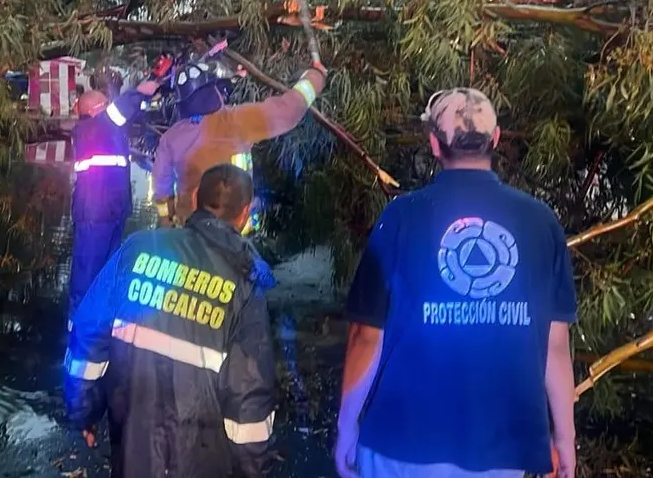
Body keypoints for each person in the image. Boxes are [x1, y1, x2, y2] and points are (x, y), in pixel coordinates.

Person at [334, 88, 579, 478]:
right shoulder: (541, 222)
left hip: (402, 445)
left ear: (434, 144)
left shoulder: (400, 217)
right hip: (504, 451)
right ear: (495, 140)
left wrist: (347, 428)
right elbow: (555, 345)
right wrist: (564, 439)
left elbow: (367, 336)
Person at [62, 163, 277, 478]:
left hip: (132, 456)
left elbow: (88, 336)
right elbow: (249, 404)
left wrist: (84, 412)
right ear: (244, 214)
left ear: (193, 197)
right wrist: (251, 470)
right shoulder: (244, 286)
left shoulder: (138, 248)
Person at [153, 57, 327, 226]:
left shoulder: (170, 138)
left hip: (189, 232)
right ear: (215, 90)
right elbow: (287, 111)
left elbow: (162, 189)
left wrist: (166, 220)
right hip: (231, 232)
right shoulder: (238, 120)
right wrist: (316, 76)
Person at [68, 76, 158, 318]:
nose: (110, 105)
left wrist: (152, 88)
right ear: (96, 109)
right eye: (105, 103)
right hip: (94, 215)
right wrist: (139, 91)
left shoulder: (108, 129)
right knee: (86, 274)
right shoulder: (90, 128)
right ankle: (78, 329)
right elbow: (120, 110)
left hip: (113, 211)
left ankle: (102, 323)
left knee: (108, 272)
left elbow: (129, 113)